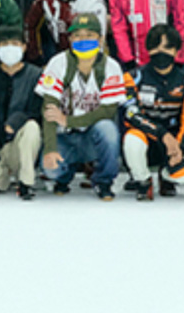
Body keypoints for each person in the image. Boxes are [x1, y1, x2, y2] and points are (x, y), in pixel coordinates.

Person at [34, 14, 127, 200]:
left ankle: (103, 182)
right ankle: (64, 177)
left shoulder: (111, 67)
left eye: (89, 35)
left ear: (100, 39)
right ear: (69, 39)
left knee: (108, 130)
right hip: (65, 136)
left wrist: (68, 120)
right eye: (77, 35)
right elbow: (49, 108)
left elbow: (108, 110)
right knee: (51, 170)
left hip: (93, 136)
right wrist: (50, 148)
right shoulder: (58, 63)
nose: (83, 40)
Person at [120, 24, 184, 201]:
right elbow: (131, 115)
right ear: (148, 49)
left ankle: (166, 176)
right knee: (132, 139)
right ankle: (143, 180)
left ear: (176, 51)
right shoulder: (132, 77)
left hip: (173, 143)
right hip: (146, 137)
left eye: (167, 47)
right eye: (156, 47)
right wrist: (162, 134)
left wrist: (179, 148)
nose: (161, 52)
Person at [0, 25, 44, 199]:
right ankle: (3, 177)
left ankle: (26, 182)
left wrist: (16, 121)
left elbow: (37, 111)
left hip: (22, 145)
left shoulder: (36, 75)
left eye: (15, 43)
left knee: (32, 127)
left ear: (24, 47)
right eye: (4, 44)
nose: (10, 48)